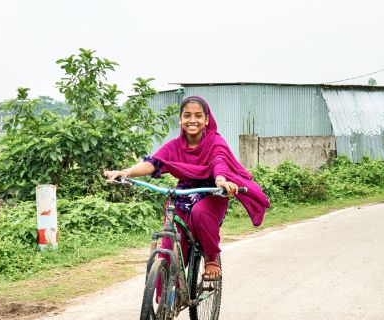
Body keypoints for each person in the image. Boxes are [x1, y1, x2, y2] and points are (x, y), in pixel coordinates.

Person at [104, 96, 270, 280]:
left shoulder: (215, 142)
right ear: (181, 119)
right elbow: (154, 163)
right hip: (184, 194)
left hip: (213, 192)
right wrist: (126, 172)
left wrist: (221, 180)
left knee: (200, 213)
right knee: (168, 245)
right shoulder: (174, 146)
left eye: (198, 116)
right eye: (187, 115)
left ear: (207, 120)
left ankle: (210, 257)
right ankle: (166, 301)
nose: (192, 120)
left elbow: (219, 162)